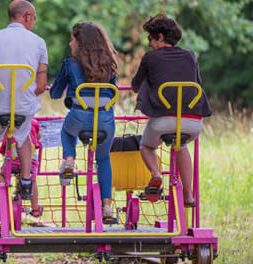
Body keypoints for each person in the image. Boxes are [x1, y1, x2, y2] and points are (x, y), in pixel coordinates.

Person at [131, 14, 212, 206]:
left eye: (150, 38)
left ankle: (156, 174)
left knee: (146, 146)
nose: (149, 43)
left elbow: (135, 85)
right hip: (193, 121)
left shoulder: (150, 58)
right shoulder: (191, 55)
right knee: (181, 145)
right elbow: (196, 84)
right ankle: (189, 195)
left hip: (163, 120)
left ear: (159, 37)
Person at [0, 0, 48, 208]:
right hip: (23, 108)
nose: (34, 22)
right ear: (26, 16)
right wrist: (26, 95)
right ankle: (26, 181)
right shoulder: (39, 42)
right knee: (24, 135)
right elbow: (41, 85)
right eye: (33, 18)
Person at [49, 22, 118, 222]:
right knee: (104, 159)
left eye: (72, 39)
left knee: (66, 132)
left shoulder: (70, 63)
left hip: (79, 115)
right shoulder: (109, 64)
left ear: (80, 43)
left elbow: (55, 93)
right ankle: (107, 208)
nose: (70, 43)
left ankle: (69, 161)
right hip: (105, 118)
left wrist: (55, 89)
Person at [0, 119, 43, 217]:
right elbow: (38, 137)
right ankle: (35, 209)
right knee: (32, 180)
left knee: (3, 176)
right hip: (30, 160)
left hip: (13, 159)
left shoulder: (8, 123)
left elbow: (4, 140)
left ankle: (4, 203)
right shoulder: (33, 122)